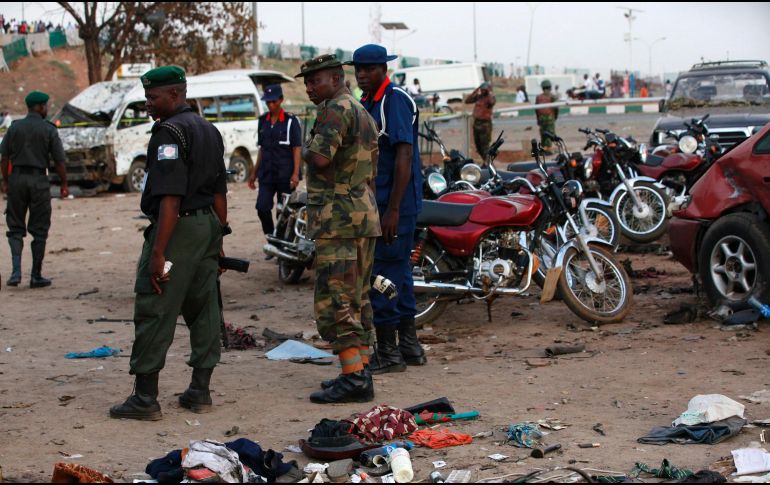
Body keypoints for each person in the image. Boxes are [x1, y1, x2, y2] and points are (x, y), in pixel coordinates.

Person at [110, 66, 229, 421]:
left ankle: (145, 398)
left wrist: (159, 253)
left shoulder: (169, 133)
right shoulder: (209, 130)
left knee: (155, 301)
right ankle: (199, 390)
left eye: (152, 97)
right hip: (207, 226)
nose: (148, 104)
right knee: (203, 305)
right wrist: (219, 238)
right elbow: (220, 191)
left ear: (175, 95)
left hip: (179, 229)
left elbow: (170, 199)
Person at [296, 54, 381, 404]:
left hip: (338, 218)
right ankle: (358, 370)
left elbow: (319, 158)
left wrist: (302, 149)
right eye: (306, 82)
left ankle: (355, 377)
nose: (309, 87)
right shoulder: (361, 110)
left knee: (337, 299)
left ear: (335, 78)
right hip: (361, 214)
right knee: (358, 297)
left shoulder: (335, 110)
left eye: (315, 81)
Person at [346, 44, 425, 376]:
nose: (362, 74)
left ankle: (390, 353)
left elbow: (404, 156)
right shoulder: (368, 102)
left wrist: (393, 209)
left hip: (395, 205)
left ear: (383, 69)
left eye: (369, 69)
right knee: (401, 276)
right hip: (380, 203)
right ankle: (410, 347)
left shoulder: (394, 100)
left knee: (384, 276)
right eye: (358, 70)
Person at [1, 91, 69, 288]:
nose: (46, 109)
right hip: (39, 180)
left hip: (17, 180)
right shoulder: (48, 129)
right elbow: (59, 161)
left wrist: (6, 181)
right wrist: (64, 184)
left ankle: (15, 273)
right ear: (39, 107)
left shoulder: (15, 128)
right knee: (39, 230)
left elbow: (4, 158)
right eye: (45, 106)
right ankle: (35, 275)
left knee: (15, 227)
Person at [247, 84, 301, 250]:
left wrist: (295, 174)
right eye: (268, 102)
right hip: (267, 175)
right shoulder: (263, 121)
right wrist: (253, 173)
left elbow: (296, 148)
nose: (270, 105)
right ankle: (271, 239)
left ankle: (282, 244)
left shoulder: (292, 122)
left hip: (285, 175)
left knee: (283, 212)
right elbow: (262, 149)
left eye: (273, 101)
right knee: (262, 207)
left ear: (281, 100)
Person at [464, 81, 496, 159]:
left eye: (484, 89)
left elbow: (492, 102)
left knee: (484, 145)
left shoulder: (490, 97)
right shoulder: (479, 97)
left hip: (485, 124)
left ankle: (488, 161)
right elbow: (467, 101)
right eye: (482, 89)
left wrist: (489, 92)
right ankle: (484, 160)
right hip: (477, 123)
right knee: (478, 145)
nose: (483, 91)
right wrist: (476, 90)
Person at [535, 80, 559, 153]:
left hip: (541, 118)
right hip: (550, 117)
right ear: (550, 87)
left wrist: (538, 119)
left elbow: (536, 109)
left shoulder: (538, 97)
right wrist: (555, 117)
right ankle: (548, 149)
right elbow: (556, 108)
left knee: (543, 133)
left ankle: (544, 147)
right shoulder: (552, 96)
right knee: (550, 133)